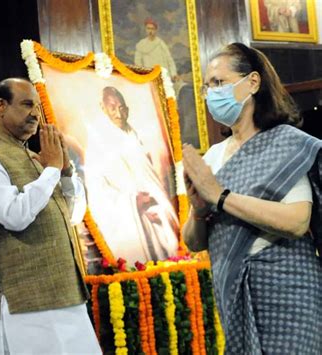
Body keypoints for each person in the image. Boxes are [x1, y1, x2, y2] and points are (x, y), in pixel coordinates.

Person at [183, 43, 322, 353]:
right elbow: (194, 242)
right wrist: (198, 209)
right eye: (207, 86)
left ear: (253, 82)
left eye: (218, 82)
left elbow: (298, 221)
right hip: (234, 290)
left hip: (287, 289)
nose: (211, 93)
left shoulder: (284, 146)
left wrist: (219, 195)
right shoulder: (215, 156)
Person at [0, 78, 100, 354]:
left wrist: (66, 172)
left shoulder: (39, 158)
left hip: (67, 294)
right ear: (1, 106)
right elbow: (14, 215)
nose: (35, 113)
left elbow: (74, 215)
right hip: (22, 302)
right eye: (26, 104)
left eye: (36, 106)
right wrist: (51, 171)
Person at [85, 86, 180, 263]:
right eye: (113, 108)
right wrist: (133, 203)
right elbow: (97, 191)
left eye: (122, 108)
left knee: (172, 247)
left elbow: (151, 180)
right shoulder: (98, 142)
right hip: (127, 217)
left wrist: (157, 205)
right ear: (103, 108)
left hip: (154, 210)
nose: (118, 114)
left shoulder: (133, 136)